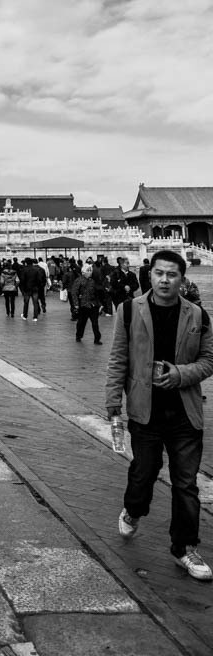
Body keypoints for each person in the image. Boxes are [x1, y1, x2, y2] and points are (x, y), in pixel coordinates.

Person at [106, 249, 213, 581]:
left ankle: (184, 548)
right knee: (144, 472)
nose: (165, 280)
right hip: (145, 411)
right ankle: (134, 509)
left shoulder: (198, 316)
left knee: (186, 483)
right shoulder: (129, 311)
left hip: (185, 412)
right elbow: (117, 362)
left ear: (182, 279)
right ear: (149, 275)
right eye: (159, 273)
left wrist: (180, 374)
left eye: (172, 274)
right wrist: (113, 409)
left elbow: (209, 360)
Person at [72, 260, 103, 344]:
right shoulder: (78, 280)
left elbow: (95, 294)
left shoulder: (92, 281)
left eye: (90, 271)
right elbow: (74, 292)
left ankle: (97, 338)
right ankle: (78, 335)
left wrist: (99, 304)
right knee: (81, 322)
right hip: (83, 305)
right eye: (88, 271)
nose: (90, 272)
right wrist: (76, 304)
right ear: (83, 272)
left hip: (93, 305)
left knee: (95, 323)